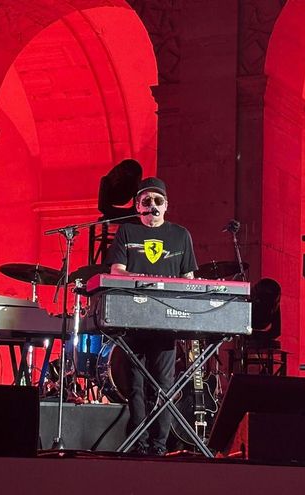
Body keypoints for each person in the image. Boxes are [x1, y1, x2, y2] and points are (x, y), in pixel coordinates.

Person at [106, 177, 198, 456]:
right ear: (138, 206)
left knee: (164, 384)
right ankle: (139, 444)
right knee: (135, 384)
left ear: (166, 205)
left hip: (167, 320)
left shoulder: (181, 235)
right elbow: (116, 271)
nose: (152, 205)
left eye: (158, 200)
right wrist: (142, 281)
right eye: (146, 201)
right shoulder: (127, 231)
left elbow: (188, 278)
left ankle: (159, 446)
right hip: (133, 316)